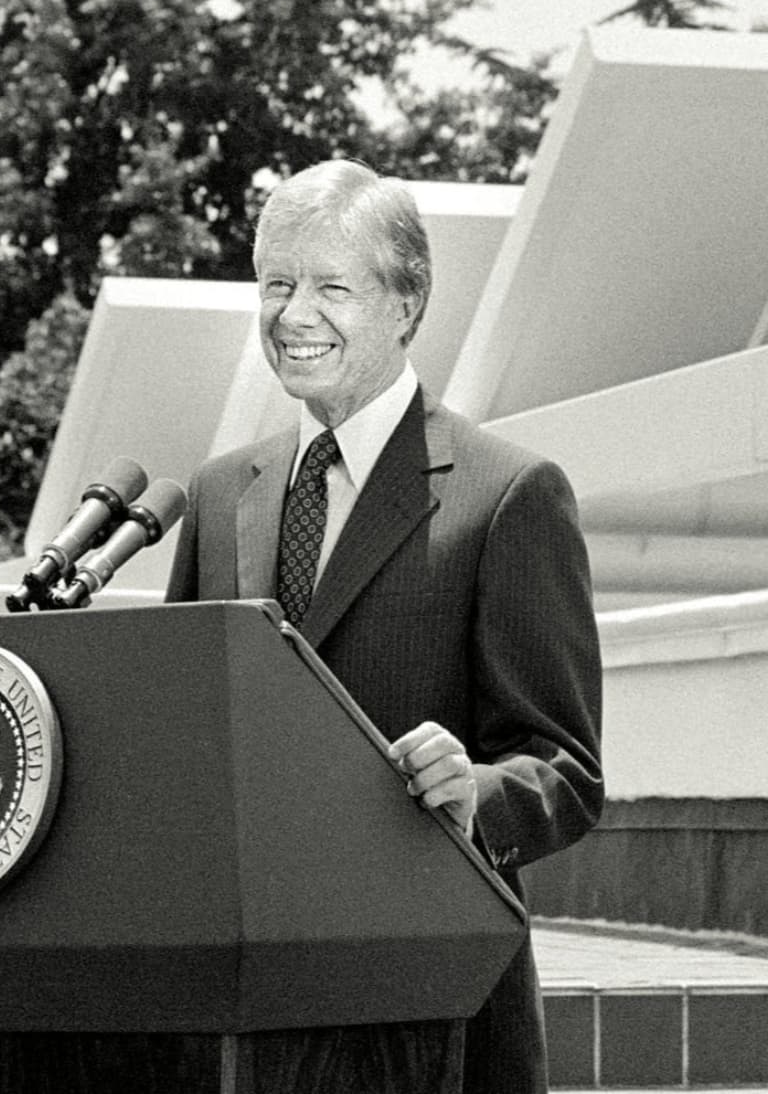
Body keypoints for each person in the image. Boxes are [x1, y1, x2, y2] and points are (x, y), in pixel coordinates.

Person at [167, 160, 603, 1094]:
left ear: (409, 305)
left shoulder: (509, 495)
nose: (293, 313)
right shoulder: (215, 497)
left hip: (433, 1019)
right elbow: (179, 740)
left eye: (331, 286)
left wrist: (474, 793)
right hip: (241, 1019)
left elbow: (566, 773)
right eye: (277, 283)